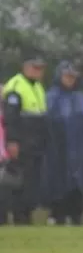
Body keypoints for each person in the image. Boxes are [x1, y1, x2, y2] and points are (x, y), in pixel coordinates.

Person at [45, 61, 83, 226]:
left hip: (79, 147)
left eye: (72, 77)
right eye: (66, 77)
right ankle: (57, 214)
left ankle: (76, 214)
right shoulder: (52, 96)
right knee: (58, 179)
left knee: (78, 180)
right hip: (57, 147)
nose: (69, 80)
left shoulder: (80, 97)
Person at [1, 55, 49, 225]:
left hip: (36, 143)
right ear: (25, 67)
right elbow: (11, 118)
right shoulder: (16, 86)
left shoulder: (37, 87)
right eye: (35, 67)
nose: (39, 71)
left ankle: (26, 214)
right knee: (18, 182)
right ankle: (18, 215)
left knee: (32, 182)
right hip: (22, 143)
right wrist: (12, 142)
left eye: (41, 68)